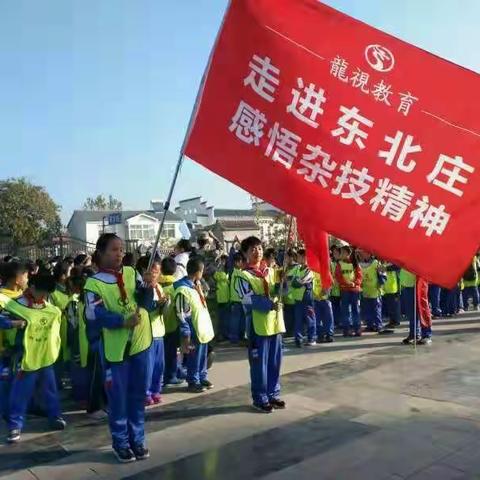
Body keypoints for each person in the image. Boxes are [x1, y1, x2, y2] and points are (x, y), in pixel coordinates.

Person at [84, 233, 153, 463]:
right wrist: (122, 322)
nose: (119, 254)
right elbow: (95, 314)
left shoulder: (132, 273)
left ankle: (138, 439)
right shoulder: (93, 283)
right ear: (101, 253)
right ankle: (121, 442)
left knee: (137, 395)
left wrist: (149, 288)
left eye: (121, 249)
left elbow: (144, 303)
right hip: (116, 350)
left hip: (140, 344)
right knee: (119, 398)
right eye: (114, 249)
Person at [0, 273, 66, 443]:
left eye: (47, 294)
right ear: (32, 287)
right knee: (20, 392)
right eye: (41, 292)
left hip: (45, 357)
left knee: (50, 389)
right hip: (25, 358)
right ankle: (15, 425)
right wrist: (13, 323)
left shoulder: (49, 306)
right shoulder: (16, 305)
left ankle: (55, 416)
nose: (44, 296)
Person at [238, 236, 286, 413]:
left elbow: (280, 291)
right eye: (252, 249)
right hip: (257, 326)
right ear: (245, 253)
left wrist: (283, 282)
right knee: (259, 364)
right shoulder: (243, 275)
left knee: (275, 362)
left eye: (259, 248)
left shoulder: (271, 271)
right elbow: (248, 299)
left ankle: (273, 394)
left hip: (275, 324)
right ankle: (260, 398)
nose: (257, 251)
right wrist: (269, 304)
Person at [173, 257, 215, 393]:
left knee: (202, 357)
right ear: (199, 272)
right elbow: (182, 314)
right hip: (193, 329)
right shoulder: (183, 289)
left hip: (202, 329)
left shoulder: (195, 286)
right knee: (194, 357)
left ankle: (202, 376)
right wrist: (186, 333)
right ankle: (193, 380)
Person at [0, 261, 29, 418]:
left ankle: (19, 411)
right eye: (25, 276)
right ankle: (8, 414)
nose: (27, 280)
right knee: (6, 383)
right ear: (17, 279)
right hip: (5, 350)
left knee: (20, 382)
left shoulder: (25, 296)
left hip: (23, 348)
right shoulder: (2, 297)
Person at [161, 257, 185, 387]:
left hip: (160, 326)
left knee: (165, 353)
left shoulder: (158, 286)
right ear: (175, 270)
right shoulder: (176, 287)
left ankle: (173, 372)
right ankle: (171, 376)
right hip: (173, 325)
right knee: (174, 352)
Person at [291, 248, 317, 347]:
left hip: (306, 298)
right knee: (298, 319)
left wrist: (297, 282)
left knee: (310, 318)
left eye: (300, 257)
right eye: (298, 257)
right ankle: (298, 339)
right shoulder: (297, 269)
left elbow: (301, 281)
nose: (298, 258)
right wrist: (296, 282)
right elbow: (293, 281)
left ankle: (311, 338)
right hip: (298, 298)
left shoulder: (310, 270)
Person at [336, 246, 363, 337]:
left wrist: (355, 283)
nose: (341, 254)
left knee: (356, 310)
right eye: (341, 253)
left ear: (348, 253)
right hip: (344, 290)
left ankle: (357, 329)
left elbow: (359, 276)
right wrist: (348, 283)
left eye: (343, 253)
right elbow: (338, 277)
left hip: (354, 290)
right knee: (345, 310)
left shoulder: (356, 264)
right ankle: (346, 330)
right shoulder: (339, 264)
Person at [359, 251, 387, 333]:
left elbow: (383, 274)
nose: (362, 254)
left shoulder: (376, 263)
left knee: (376, 309)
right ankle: (370, 325)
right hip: (366, 290)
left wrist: (380, 283)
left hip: (375, 290)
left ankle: (378, 325)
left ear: (369, 253)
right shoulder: (361, 264)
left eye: (364, 252)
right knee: (367, 309)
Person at [229, 252, 246, 345]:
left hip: (236, 299)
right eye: (241, 261)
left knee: (237, 319)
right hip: (238, 299)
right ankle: (236, 337)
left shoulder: (234, 271)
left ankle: (237, 337)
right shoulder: (239, 272)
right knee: (237, 319)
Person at [313, 270, 334, 343]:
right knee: (317, 319)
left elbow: (330, 284)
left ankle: (329, 334)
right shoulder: (311, 272)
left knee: (328, 318)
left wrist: (321, 294)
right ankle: (320, 335)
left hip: (325, 299)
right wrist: (314, 296)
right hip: (315, 300)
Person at [213, 255, 230, 341]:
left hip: (220, 298)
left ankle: (221, 334)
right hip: (225, 298)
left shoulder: (217, 272)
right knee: (224, 317)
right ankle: (223, 334)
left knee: (221, 317)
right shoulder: (226, 273)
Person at [382, 262, 402, 328]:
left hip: (395, 287)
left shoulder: (395, 260)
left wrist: (386, 268)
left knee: (395, 305)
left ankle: (396, 321)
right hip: (388, 287)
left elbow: (397, 266)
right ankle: (392, 320)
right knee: (390, 305)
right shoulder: (385, 261)